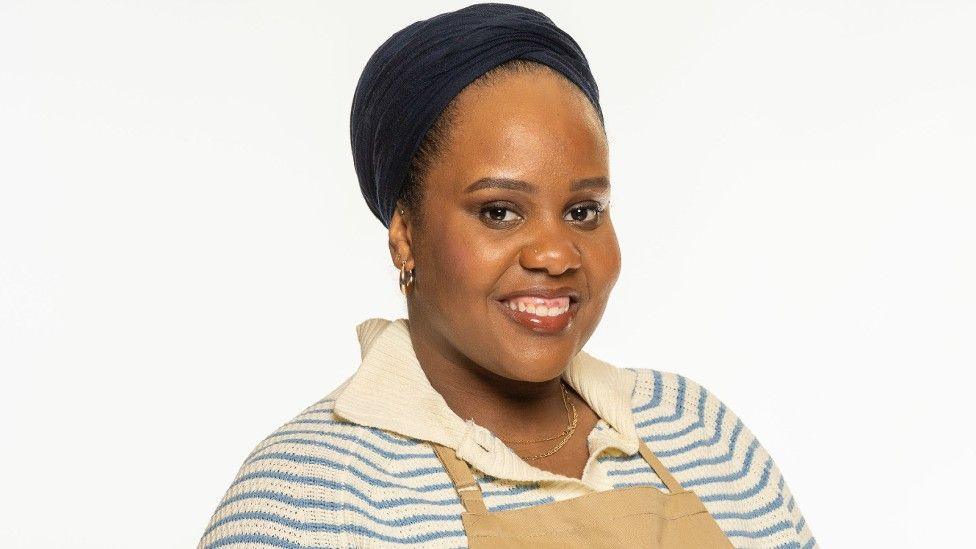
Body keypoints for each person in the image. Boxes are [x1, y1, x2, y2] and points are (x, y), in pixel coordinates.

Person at [199, 3, 817, 547]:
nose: (555, 254)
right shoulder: (307, 501)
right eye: (498, 212)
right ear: (405, 235)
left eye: (583, 211)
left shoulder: (699, 433)